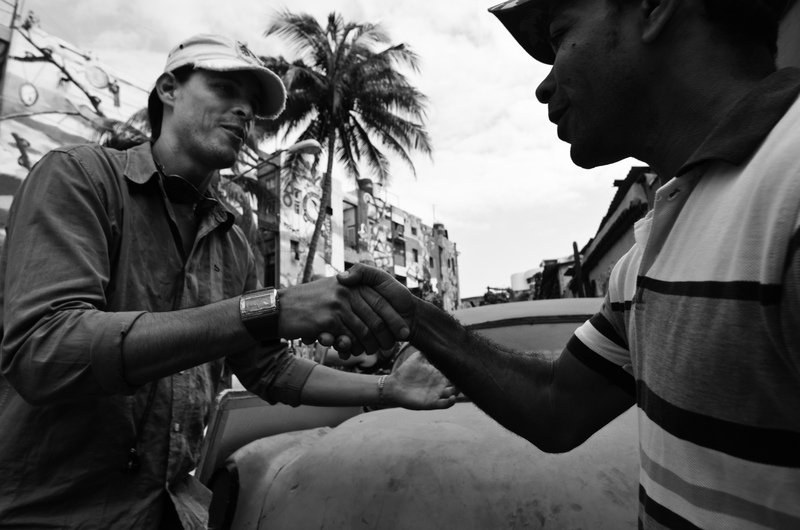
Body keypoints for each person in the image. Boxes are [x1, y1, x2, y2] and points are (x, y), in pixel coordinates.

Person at [339, 0, 800, 527]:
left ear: (652, 8)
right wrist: (416, 319)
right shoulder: (650, 250)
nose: (545, 85)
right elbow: (556, 405)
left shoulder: (789, 188)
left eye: (559, 36)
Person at [0, 34, 457, 529]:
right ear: (169, 89)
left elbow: (268, 369)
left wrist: (389, 388)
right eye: (223, 89)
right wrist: (269, 310)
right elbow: (45, 349)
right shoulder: (79, 179)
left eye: (252, 107)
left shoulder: (233, 241)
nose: (243, 112)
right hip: (49, 513)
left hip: (169, 512)